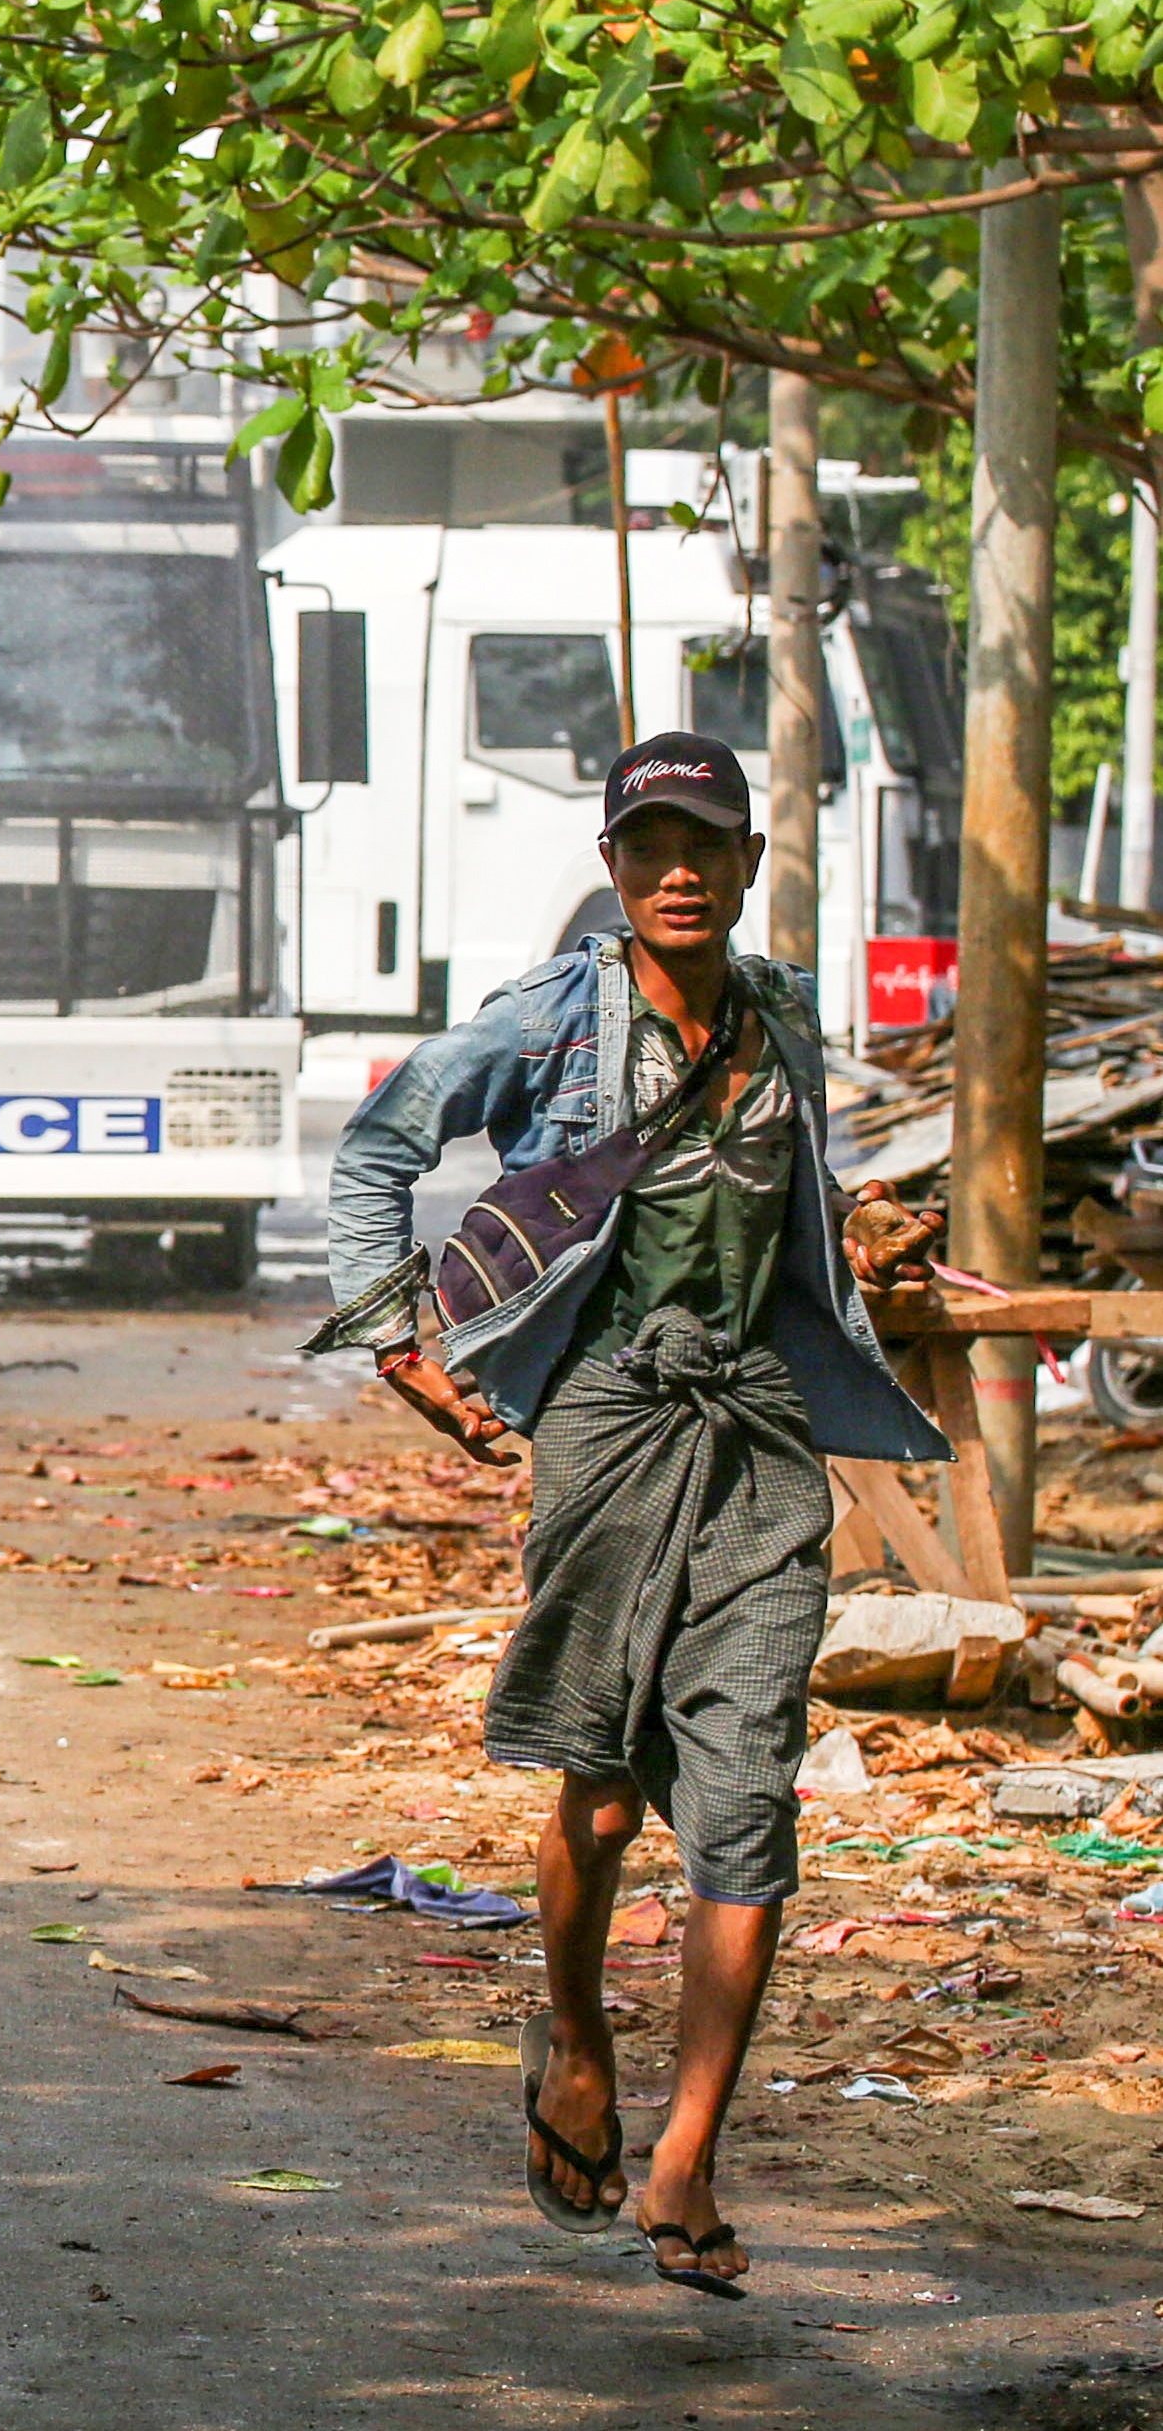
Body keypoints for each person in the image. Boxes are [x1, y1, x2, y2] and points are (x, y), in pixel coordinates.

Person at [329, 730, 945, 2299]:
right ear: (611, 868)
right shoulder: (554, 1016)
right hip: (604, 1425)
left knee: (745, 1807)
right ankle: (579, 2037)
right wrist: (392, 1343)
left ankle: (685, 2154)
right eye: (646, 846)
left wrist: (864, 1231)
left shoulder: (780, 1016)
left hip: (755, 1435)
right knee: (601, 1803)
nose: (677, 872)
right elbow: (383, 1140)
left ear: (743, 866)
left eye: (704, 847)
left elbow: (799, 1186)